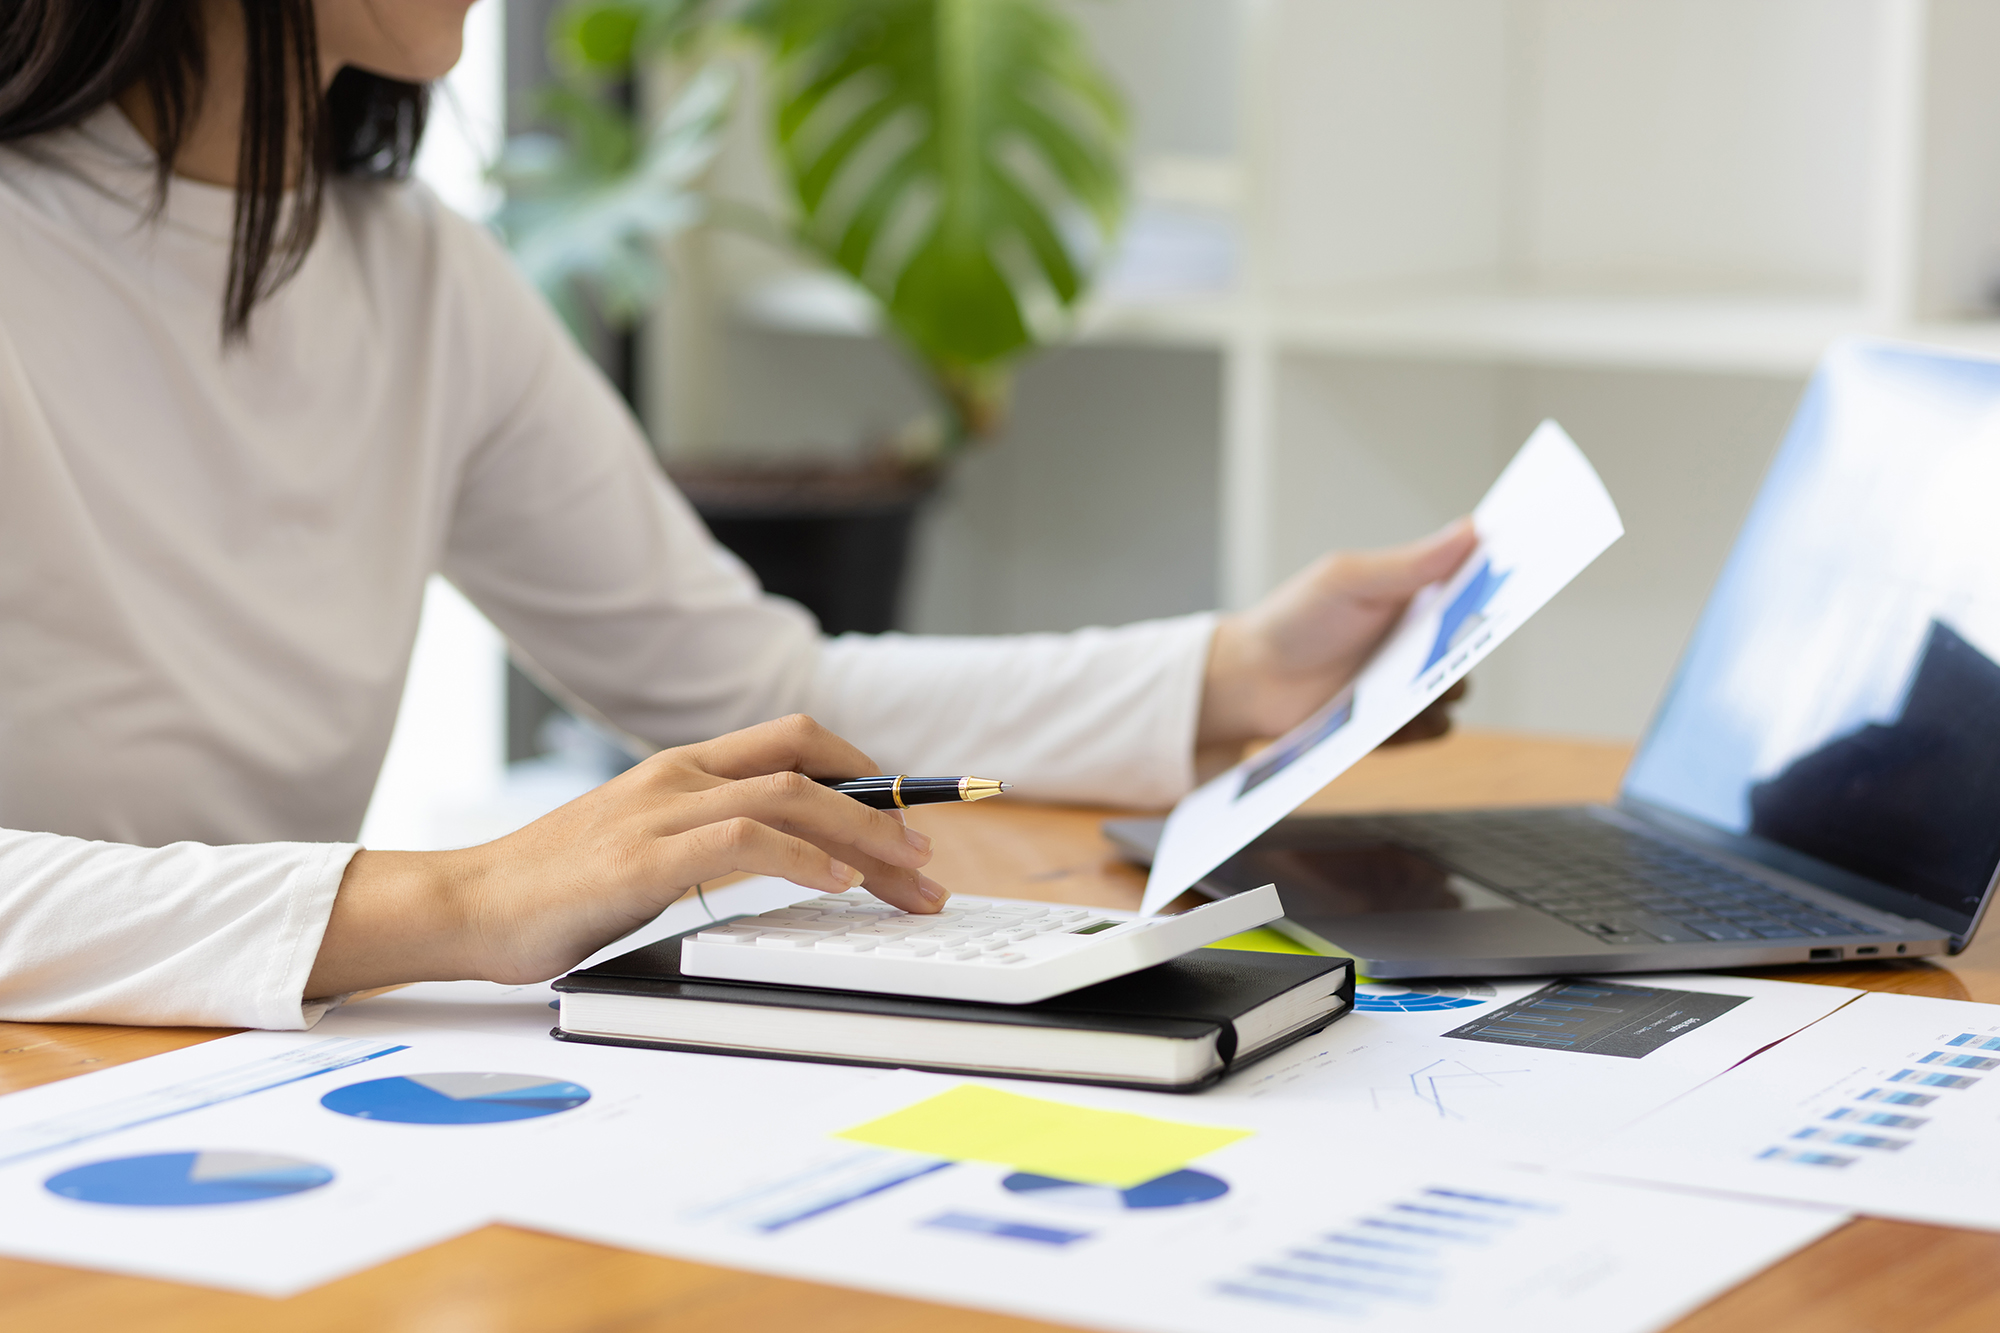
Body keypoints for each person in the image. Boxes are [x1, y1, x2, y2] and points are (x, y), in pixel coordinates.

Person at [0, 0, 1477, 1029]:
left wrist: (1229, 677)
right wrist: (463, 898)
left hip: (231, 1095)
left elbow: (767, 697)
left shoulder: (416, 275)